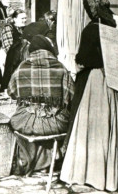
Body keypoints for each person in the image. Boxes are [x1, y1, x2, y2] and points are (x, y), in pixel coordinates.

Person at [60, 0, 118, 191]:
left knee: (94, 127)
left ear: (90, 8)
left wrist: (77, 60)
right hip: (116, 80)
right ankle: (117, 174)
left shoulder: (92, 28)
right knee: (114, 124)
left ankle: (94, 174)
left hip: (96, 81)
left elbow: (85, 59)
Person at [8, 35, 74, 174]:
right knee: (65, 120)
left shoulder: (22, 68)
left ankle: (30, 161)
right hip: (55, 124)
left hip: (26, 122)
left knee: (17, 120)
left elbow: (12, 92)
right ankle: (52, 159)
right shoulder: (60, 68)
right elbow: (71, 96)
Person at [0, 9, 27, 91]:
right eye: (22, 18)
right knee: (9, 78)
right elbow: (8, 46)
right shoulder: (8, 28)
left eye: (25, 18)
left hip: (18, 56)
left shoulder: (22, 29)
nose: (24, 20)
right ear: (14, 19)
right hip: (9, 56)